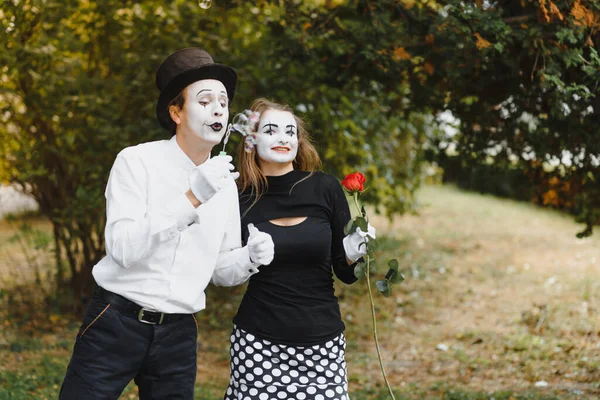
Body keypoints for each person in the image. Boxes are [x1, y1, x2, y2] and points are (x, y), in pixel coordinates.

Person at [59, 48, 274, 400]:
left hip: (178, 333)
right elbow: (123, 250)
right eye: (205, 100)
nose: (219, 108)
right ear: (176, 112)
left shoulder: (224, 185)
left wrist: (250, 257)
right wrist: (192, 197)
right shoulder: (136, 162)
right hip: (116, 321)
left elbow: (220, 270)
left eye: (223, 101)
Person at [223, 98, 376, 400]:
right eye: (271, 130)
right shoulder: (238, 196)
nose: (283, 138)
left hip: (323, 343)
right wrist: (247, 256)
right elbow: (225, 272)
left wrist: (354, 251)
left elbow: (345, 273)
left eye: (290, 132)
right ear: (251, 141)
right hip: (257, 344)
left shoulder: (325, 188)